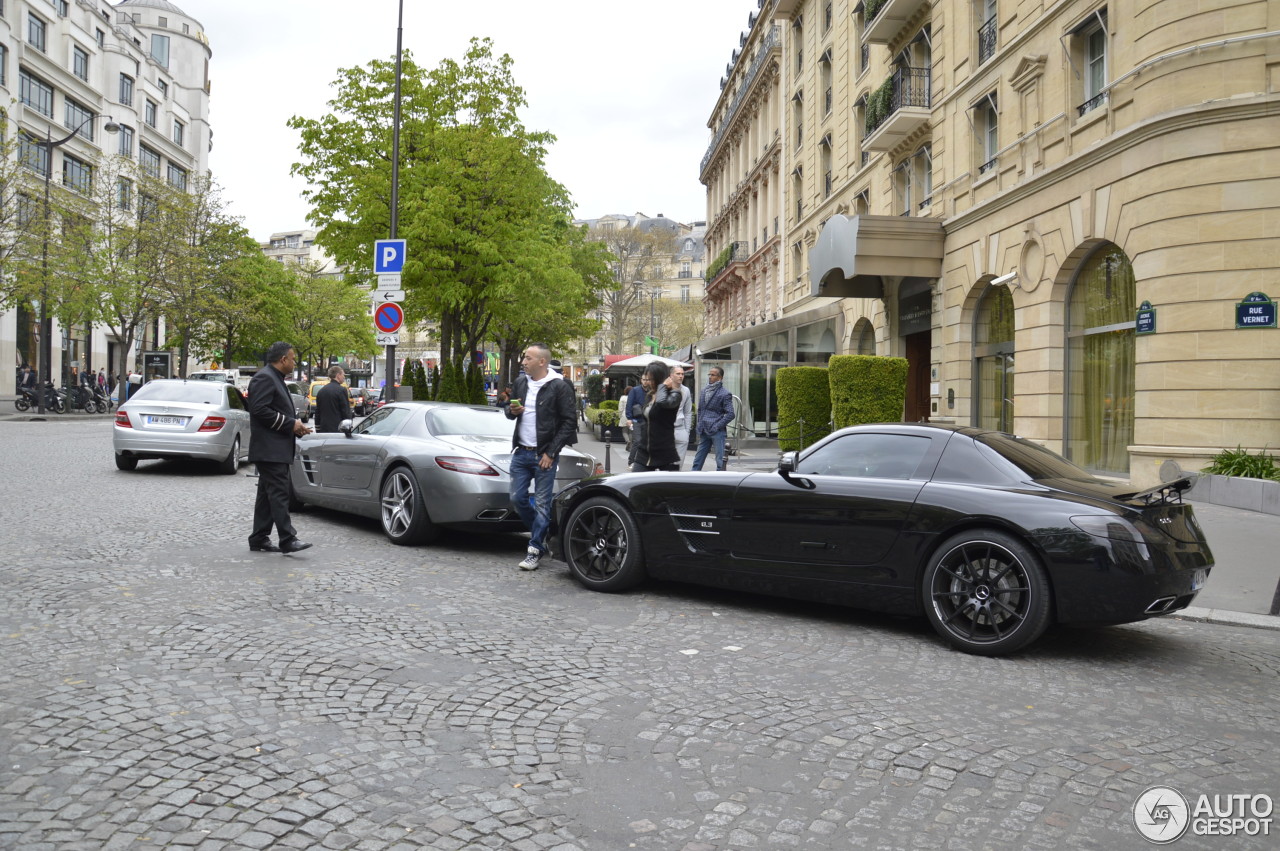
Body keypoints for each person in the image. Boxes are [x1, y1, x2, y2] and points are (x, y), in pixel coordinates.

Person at [504, 343, 577, 571]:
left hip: (544, 454)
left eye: (527, 358)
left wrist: (551, 453)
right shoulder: (520, 382)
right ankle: (543, 532)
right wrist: (511, 411)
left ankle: (534, 549)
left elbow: (569, 422)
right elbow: (508, 411)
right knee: (517, 498)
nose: (523, 362)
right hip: (521, 452)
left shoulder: (559, 386)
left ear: (541, 362)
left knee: (544, 504)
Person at [247, 342, 313, 554]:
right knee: (279, 493)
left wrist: (294, 426)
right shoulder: (265, 377)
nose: (295, 362)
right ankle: (287, 538)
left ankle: (259, 538)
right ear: (283, 359)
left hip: (274, 448)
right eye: (293, 358)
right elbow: (258, 410)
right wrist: (290, 424)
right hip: (270, 449)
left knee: (267, 495)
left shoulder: (274, 377)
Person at [630, 363, 683, 472]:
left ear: (660, 378)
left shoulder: (675, 394)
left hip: (665, 452)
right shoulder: (650, 395)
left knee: (665, 488)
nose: (649, 382)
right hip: (644, 451)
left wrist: (662, 387)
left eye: (651, 379)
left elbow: (661, 402)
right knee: (636, 485)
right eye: (648, 379)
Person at [692, 366, 735, 471]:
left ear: (720, 378)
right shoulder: (704, 390)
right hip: (704, 430)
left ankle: (720, 480)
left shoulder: (725, 393)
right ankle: (692, 478)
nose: (710, 377)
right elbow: (701, 409)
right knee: (698, 459)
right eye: (709, 374)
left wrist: (717, 426)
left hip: (717, 431)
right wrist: (699, 424)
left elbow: (731, 414)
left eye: (713, 375)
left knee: (720, 460)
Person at [314, 364, 352, 433]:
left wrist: (318, 428)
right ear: (338, 375)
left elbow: (317, 412)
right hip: (338, 429)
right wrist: (348, 428)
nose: (344, 377)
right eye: (343, 375)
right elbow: (345, 411)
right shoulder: (342, 390)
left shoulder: (321, 391)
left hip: (324, 429)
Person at [670, 365, 693, 470]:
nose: (681, 376)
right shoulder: (664, 389)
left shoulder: (686, 390)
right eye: (678, 373)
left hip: (681, 429)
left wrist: (687, 432)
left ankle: (674, 484)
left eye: (682, 374)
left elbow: (688, 412)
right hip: (667, 430)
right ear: (671, 375)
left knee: (678, 465)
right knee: (666, 464)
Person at [621, 378, 648, 466]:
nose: (645, 381)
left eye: (647, 379)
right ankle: (631, 461)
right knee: (637, 441)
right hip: (636, 419)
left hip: (647, 420)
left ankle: (643, 461)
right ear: (641, 380)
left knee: (645, 441)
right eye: (644, 379)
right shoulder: (635, 390)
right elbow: (629, 404)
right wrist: (629, 418)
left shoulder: (651, 390)